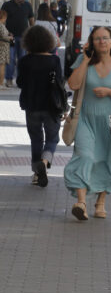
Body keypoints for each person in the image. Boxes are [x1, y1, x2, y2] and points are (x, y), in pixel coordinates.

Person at [64, 26, 111, 221]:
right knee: (84, 156)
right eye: (97, 39)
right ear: (92, 43)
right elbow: (73, 85)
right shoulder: (84, 61)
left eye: (105, 38)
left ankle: (100, 202)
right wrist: (85, 59)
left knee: (107, 160)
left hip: (110, 121)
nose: (102, 41)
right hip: (85, 118)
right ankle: (81, 203)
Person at [16, 25, 63, 187]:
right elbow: (60, 84)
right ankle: (45, 160)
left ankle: (37, 174)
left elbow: (20, 82)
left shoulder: (24, 61)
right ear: (47, 41)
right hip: (51, 106)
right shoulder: (54, 60)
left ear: (28, 42)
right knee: (52, 138)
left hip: (31, 106)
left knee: (36, 139)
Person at [2, 0, 35, 86]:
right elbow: (2, 20)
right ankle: (9, 79)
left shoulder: (27, 5)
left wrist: (33, 32)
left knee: (22, 59)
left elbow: (31, 20)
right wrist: (5, 32)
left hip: (23, 37)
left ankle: (21, 80)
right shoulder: (7, 5)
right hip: (10, 37)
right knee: (11, 58)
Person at [0, 10, 12, 89]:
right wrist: (10, 37)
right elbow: (3, 36)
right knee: (2, 66)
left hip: (3, 48)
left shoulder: (2, 25)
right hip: (2, 49)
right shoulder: (0, 25)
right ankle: (0, 84)